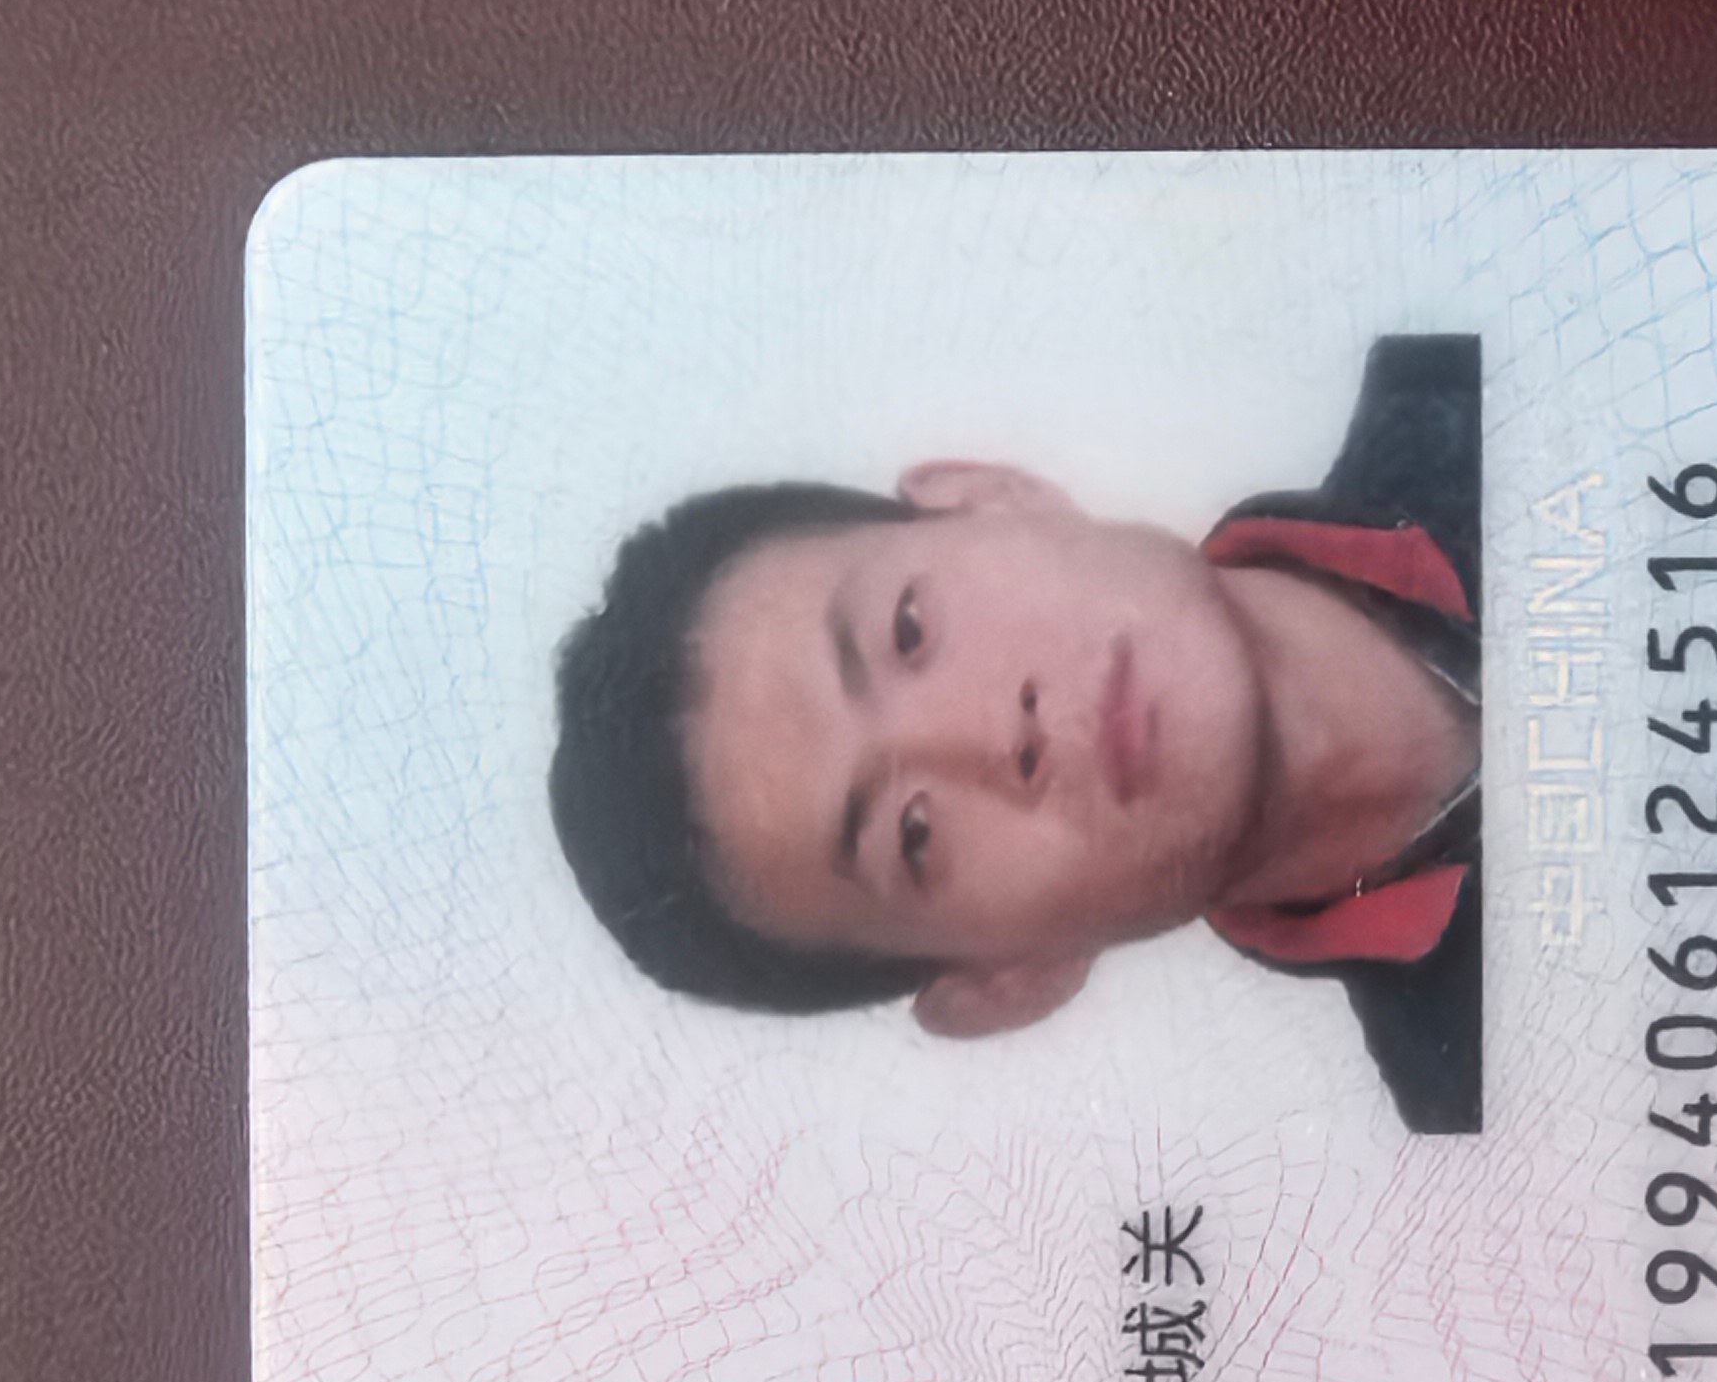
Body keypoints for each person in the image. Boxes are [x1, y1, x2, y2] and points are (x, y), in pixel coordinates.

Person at [548, 333, 1483, 1131]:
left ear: (986, 492)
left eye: (908, 629)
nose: (998, 734)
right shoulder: (1480, 1106)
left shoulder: (1479, 358)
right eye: (914, 834)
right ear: (1005, 985)